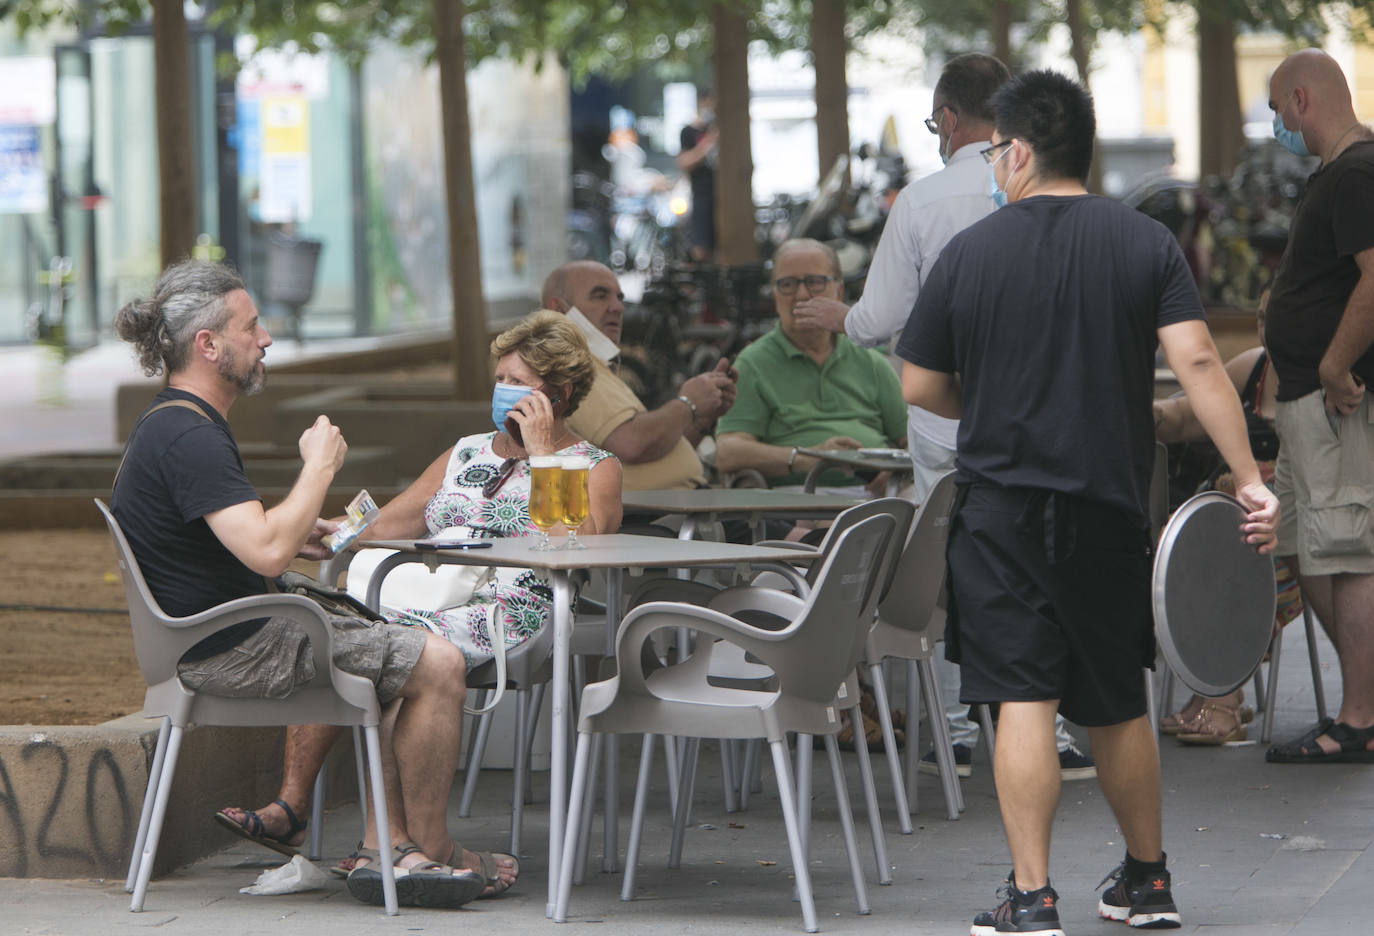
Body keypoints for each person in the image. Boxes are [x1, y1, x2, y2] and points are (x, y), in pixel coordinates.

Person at [899, 70, 1278, 933]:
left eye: (995, 149)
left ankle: (1030, 898)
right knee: (1112, 698)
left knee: (1021, 698)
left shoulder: (970, 252)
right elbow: (1200, 365)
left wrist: (986, 404)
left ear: (1021, 150)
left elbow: (920, 382)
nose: (993, 164)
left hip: (999, 512)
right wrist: (1249, 479)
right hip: (1108, 504)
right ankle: (1148, 882)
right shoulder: (1144, 243)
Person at [111, 261, 484, 908]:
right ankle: (425, 853)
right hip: (233, 647)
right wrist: (319, 467)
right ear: (208, 344)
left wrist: (295, 526)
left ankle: (391, 847)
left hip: (222, 633)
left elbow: (247, 539)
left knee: (399, 656)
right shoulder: (187, 435)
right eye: (250, 325)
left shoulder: (175, 423)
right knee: (441, 662)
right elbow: (263, 547)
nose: (266, 338)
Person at [217, 310, 622, 894]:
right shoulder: (465, 452)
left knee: (396, 648)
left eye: (520, 382)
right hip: (428, 598)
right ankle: (319, 815)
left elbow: (573, 547)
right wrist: (332, 532)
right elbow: (388, 520)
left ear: (557, 395)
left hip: (514, 605)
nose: (502, 390)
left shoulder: (592, 466)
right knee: (355, 634)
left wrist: (541, 457)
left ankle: (384, 844)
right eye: (500, 377)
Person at [791, 52, 1093, 782]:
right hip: (1039, 414)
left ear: (950, 118)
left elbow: (883, 317)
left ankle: (961, 727)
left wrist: (844, 313)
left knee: (951, 571)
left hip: (945, 422)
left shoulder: (922, 202)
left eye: (934, 123)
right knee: (1037, 566)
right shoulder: (1049, 189)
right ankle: (1047, 731)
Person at [1261, 49, 1374, 765]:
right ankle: (1363, 697)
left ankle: (1359, 717)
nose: (1278, 126)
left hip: (1332, 401)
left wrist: (1334, 362)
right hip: (1305, 400)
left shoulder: (1357, 172)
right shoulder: (1338, 173)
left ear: (1302, 99)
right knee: (1304, 548)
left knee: (1350, 552)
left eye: (1277, 111)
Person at [1153, 285, 1317, 744]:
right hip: (1228, 527)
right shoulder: (1253, 366)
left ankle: (1220, 695)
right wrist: (1142, 414)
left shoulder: (1327, 375)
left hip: (1287, 534)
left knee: (1232, 529)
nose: (1269, 327)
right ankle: (1213, 686)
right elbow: (1186, 417)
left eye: (1279, 315)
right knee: (1193, 537)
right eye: (1263, 317)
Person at [714, 237, 908, 494]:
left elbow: (913, 439)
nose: (801, 295)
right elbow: (728, 452)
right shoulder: (753, 363)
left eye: (815, 282)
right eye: (787, 284)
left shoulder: (870, 361)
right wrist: (806, 458)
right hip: (800, 498)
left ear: (838, 291)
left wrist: (895, 469)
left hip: (881, 494)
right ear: (774, 294)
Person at [541, 260, 736, 490]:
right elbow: (632, 443)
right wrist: (688, 403)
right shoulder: (566, 365)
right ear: (559, 310)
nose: (617, 307)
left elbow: (656, 448)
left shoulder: (593, 364)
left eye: (619, 298)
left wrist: (702, 418)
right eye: (600, 296)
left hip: (676, 510)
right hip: (651, 519)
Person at [677, 87, 718, 263]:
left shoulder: (720, 128)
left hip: (723, 197)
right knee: (700, 248)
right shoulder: (689, 132)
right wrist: (709, 143)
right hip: (701, 195)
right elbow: (684, 162)